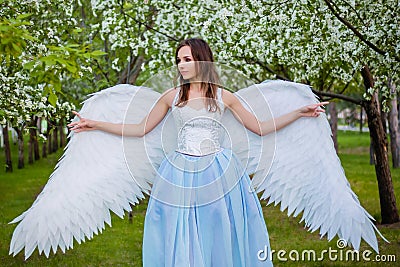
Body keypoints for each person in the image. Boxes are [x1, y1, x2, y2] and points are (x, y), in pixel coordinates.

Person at [68, 38, 327, 266]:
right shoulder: (173, 96)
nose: (181, 65)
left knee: (217, 225)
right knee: (179, 227)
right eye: (179, 60)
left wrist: (298, 113)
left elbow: (260, 128)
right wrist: (95, 123)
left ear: (202, 61)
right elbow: (140, 128)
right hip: (181, 171)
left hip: (218, 170)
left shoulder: (225, 97)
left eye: (187, 59)